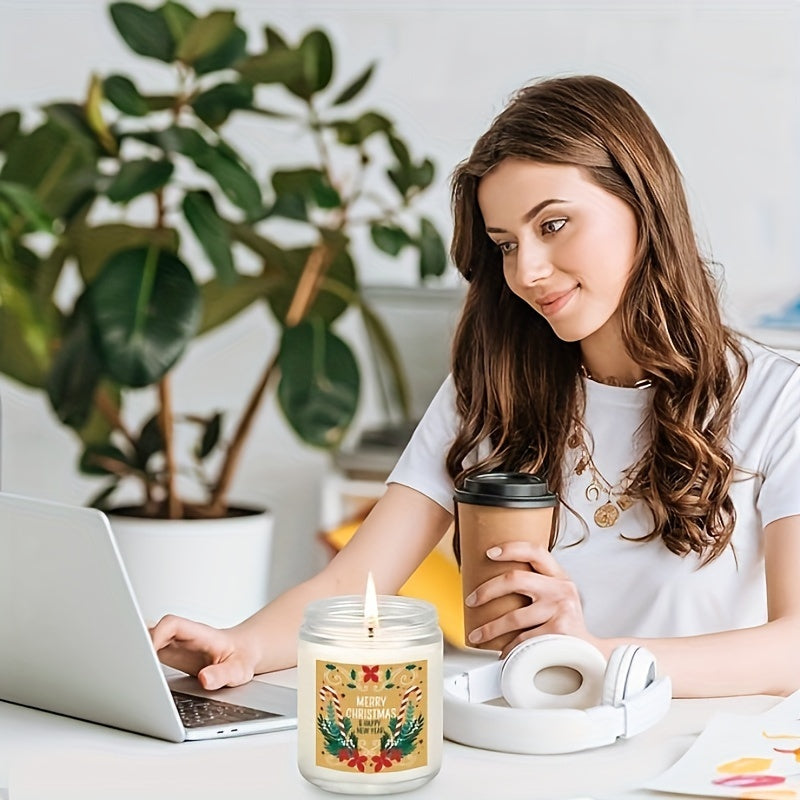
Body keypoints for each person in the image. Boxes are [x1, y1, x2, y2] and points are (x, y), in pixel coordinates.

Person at [151, 74, 800, 699]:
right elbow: (355, 580)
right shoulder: (493, 388)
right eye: (505, 244)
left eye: (552, 225)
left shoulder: (776, 401)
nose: (529, 270)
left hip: (690, 761)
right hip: (520, 752)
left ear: (641, 203)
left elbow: (791, 649)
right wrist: (242, 645)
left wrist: (593, 656)